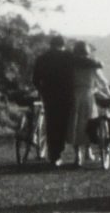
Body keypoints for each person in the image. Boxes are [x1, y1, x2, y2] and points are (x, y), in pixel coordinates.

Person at [66, 40, 110, 167]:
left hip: (75, 96)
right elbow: (102, 81)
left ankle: (78, 156)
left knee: (76, 126)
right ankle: (88, 151)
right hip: (88, 97)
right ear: (87, 53)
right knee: (89, 124)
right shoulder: (93, 66)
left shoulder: (71, 66)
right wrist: (109, 92)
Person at [32, 35, 71, 166]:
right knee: (62, 123)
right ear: (62, 44)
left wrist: (42, 90)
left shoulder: (42, 58)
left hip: (49, 95)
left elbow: (35, 79)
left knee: (51, 124)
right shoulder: (67, 57)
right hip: (66, 94)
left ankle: (54, 155)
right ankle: (58, 152)